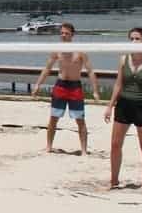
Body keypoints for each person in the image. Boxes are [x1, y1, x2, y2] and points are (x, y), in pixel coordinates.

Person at [102, 27, 142, 190]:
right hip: (124, 105)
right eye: (131, 39)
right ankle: (114, 181)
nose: (134, 42)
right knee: (115, 144)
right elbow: (118, 84)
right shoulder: (123, 60)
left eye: (137, 39)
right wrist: (109, 105)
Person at [32, 23, 99, 155]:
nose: (63, 35)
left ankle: (84, 150)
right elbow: (47, 68)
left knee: (80, 119)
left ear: (72, 35)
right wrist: (38, 84)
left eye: (66, 33)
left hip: (75, 87)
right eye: (62, 33)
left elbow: (90, 71)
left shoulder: (80, 51)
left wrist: (95, 90)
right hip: (61, 85)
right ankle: (49, 146)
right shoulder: (57, 50)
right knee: (53, 118)